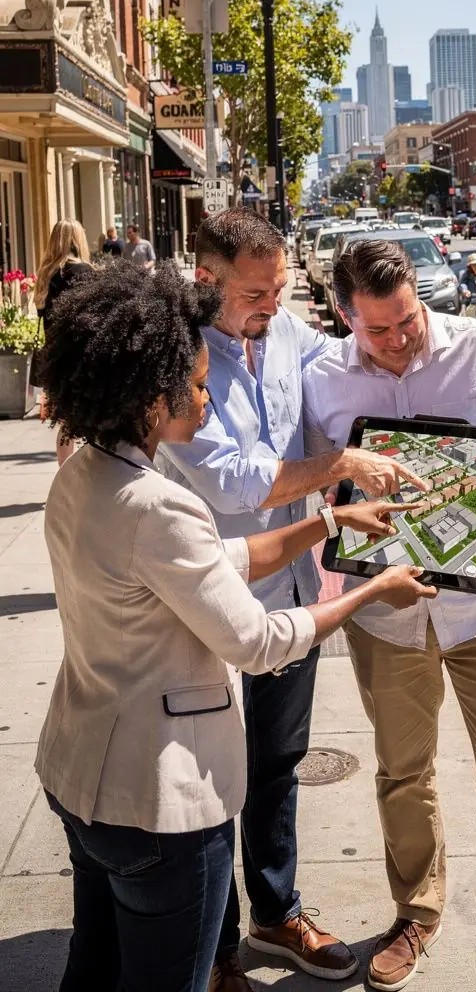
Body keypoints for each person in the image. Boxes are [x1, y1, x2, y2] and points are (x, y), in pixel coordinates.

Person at [35, 260, 433, 992]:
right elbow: (255, 641)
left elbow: (213, 559)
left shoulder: (84, 474)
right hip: (159, 804)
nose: (206, 396)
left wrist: (329, 521)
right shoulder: (159, 505)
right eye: (192, 384)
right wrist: (372, 590)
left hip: (81, 779)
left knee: (92, 969)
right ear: (147, 397)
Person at [158, 210, 430, 990]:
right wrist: (338, 466)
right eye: (257, 291)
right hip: (208, 600)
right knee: (209, 781)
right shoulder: (180, 360)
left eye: (280, 288)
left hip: (288, 593)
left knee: (277, 765)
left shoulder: (285, 335)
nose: (273, 304)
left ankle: (274, 915)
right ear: (207, 280)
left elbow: (347, 355)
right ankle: (210, 951)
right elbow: (238, 483)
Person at [302, 238, 476, 992]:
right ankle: (417, 912)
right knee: (402, 774)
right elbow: (316, 474)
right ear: (343, 316)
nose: (397, 341)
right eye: (377, 330)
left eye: (408, 321)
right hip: (388, 616)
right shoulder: (320, 377)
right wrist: (335, 496)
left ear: (420, 295)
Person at [33, 219, 95, 466]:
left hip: (56, 358)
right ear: (77, 239)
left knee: (68, 424)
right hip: (82, 355)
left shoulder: (47, 274)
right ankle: (89, 478)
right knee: (91, 419)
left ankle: (63, 476)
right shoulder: (84, 271)